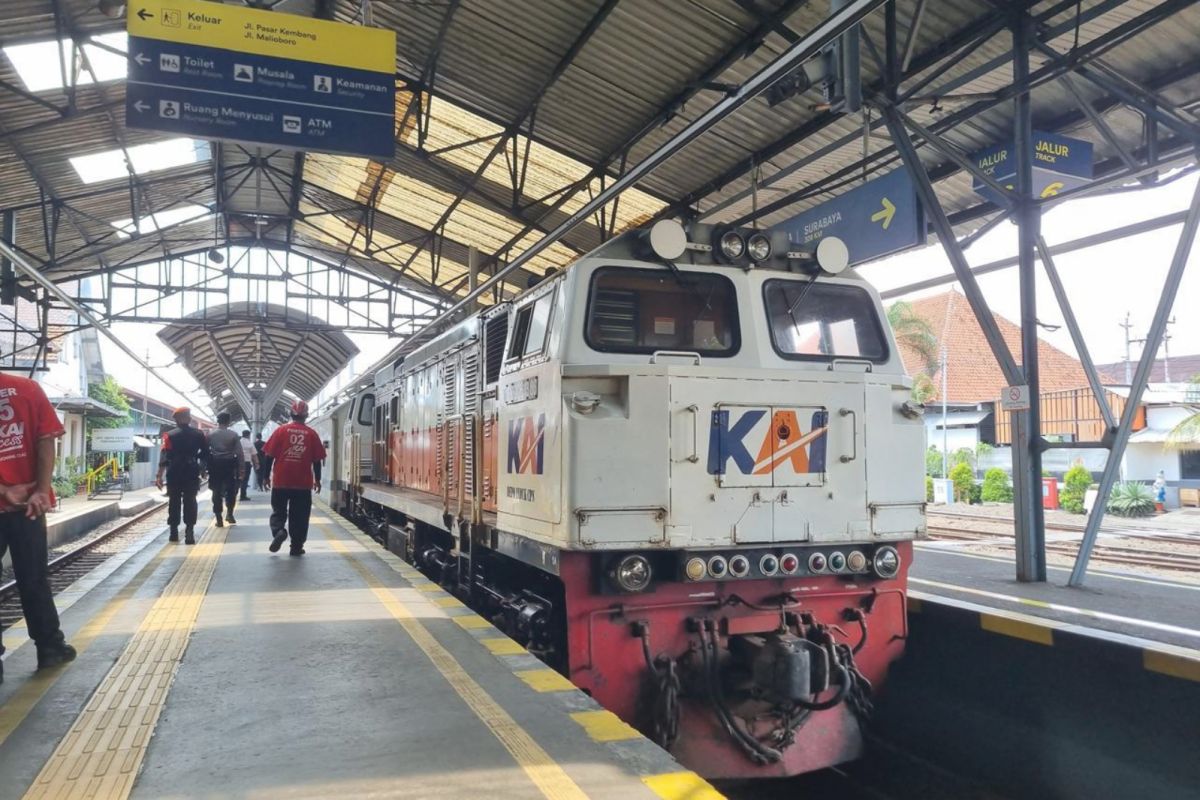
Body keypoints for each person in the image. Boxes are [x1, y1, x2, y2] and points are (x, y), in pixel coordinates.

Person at [0, 372, 77, 683]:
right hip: (29, 507)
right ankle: (49, 648)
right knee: (33, 578)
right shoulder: (27, 388)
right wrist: (41, 491)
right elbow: (46, 439)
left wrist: (4, 491)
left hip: (15, 501)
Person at [263, 400, 325, 556]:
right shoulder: (311, 434)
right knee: (300, 516)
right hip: (302, 483)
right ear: (306, 415)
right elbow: (317, 461)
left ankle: (279, 531)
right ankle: (296, 547)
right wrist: (317, 480)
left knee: (278, 511)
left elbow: (269, 456)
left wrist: (265, 477)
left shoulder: (280, 431)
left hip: (281, 481)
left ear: (291, 414)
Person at [156, 407, 209, 544]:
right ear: (189, 419)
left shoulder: (169, 435)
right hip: (191, 471)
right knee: (190, 500)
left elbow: (164, 456)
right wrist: (202, 468)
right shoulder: (199, 434)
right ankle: (189, 532)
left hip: (174, 471)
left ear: (176, 420)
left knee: (174, 501)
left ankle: (173, 532)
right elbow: (205, 454)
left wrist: (159, 476)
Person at [206, 412, 241, 527]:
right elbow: (239, 453)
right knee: (230, 490)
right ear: (229, 421)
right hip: (229, 465)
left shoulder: (211, 435)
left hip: (215, 465)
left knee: (216, 491)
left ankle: (218, 518)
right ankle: (230, 514)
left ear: (218, 421)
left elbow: (205, 452)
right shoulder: (233, 435)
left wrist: (202, 468)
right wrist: (242, 469)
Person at [239, 429, 258, 501]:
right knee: (245, 479)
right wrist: (256, 464)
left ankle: (234, 494)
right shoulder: (249, 443)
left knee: (238, 479)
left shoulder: (238, 442)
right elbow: (254, 455)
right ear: (248, 435)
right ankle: (243, 495)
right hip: (246, 463)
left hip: (238, 463)